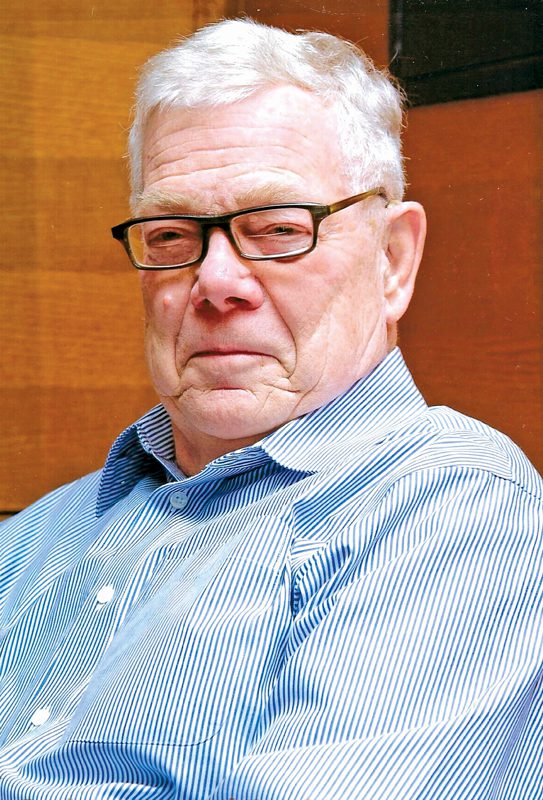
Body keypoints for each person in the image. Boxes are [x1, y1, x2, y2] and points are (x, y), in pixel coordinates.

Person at [1, 17, 541, 800]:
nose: (216, 282)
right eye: (171, 233)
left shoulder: (455, 512)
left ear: (392, 261)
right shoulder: (35, 538)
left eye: (278, 230)